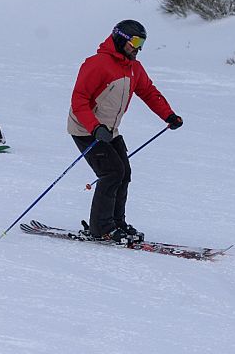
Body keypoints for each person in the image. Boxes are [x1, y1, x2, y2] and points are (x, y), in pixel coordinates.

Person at [68, 20, 183, 242]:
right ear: (121, 38)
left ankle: (116, 222)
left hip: (109, 129)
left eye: (142, 44)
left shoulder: (133, 68)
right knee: (112, 173)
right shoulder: (97, 64)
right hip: (85, 128)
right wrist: (94, 127)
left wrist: (168, 115)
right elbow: (79, 100)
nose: (138, 48)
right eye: (135, 42)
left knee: (124, 173)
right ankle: (101, 228)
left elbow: (149, 92)